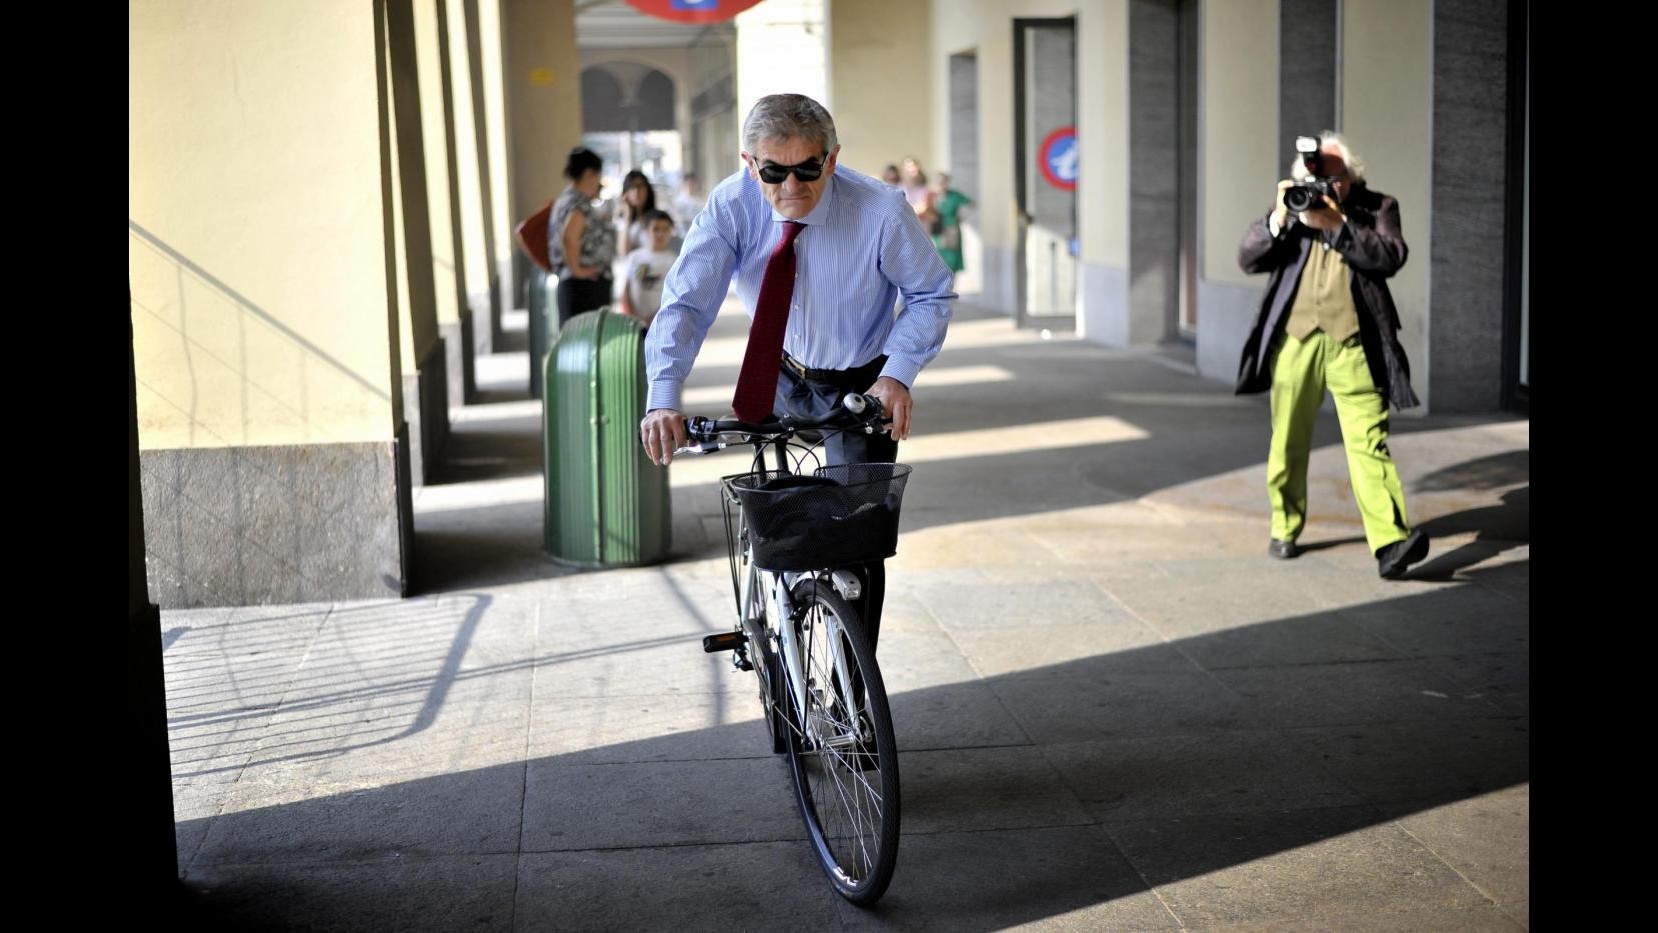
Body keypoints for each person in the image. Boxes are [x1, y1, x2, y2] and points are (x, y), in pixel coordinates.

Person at [637, 93, 956, 648]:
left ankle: (853, 696)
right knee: (778, 519)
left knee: (857, 540)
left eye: (809, 168)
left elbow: (931, 293)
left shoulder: (880, 210)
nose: (791, 187)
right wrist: (663, 395)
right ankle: (775, 624)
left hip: (863, 380)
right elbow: (687, 304)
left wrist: (899, 374)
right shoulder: (731, 206)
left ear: (832, 159)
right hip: (778, 372)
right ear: (748, 162)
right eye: (773, 171)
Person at [1236, 131, 1429, 580]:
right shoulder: (1296, 204)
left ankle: (1390, 543)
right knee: (1288, 441)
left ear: (1350, 177)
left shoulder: (1378, 207)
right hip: (1297, 341)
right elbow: (1247, 258)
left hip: (1354, 344)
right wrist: (1280, 218)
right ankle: (1284, 526)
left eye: (1331, 174)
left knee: (1369, 443)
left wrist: (1338, 226)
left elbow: (1390, 256)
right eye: (1312, 172)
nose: (1321, 181)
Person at [547, 147, 617, 327]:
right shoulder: (577, 204)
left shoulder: (569, 199)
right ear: (589, 174)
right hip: (583, 288)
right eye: (598, 175)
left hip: (581, 286)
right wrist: (578, 270)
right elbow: (569, 237)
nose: (599, 181)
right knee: (584, 343)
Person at [619, 209, 677, 328]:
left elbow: (674, 295)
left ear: (671, 232)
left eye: (665, 229)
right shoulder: (635, 257)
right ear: (646, 231)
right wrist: (632, 315)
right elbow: (626, 289)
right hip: (634, 321)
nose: (660, 234)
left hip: (661, 322)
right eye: (655, 229)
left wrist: (656, 318)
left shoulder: (675, 261)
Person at [929, 171, 972, 287]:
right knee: (938, 258)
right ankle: (939, 287)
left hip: (951, 230)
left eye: (943, 182)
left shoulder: (954, 196)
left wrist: (962, 217)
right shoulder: (931, 196)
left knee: (952, 259)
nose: (941, 184)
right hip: (937, 230)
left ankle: (950, 287)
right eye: (938, 182)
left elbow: (971, 204)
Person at [617, 169, 660, 253]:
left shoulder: (657, 218)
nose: (636, 192)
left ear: (647, 190)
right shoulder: (623, 220)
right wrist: (628, 215)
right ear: (625, 193)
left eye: (640, 186)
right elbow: (623, 252)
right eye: (631, 187)